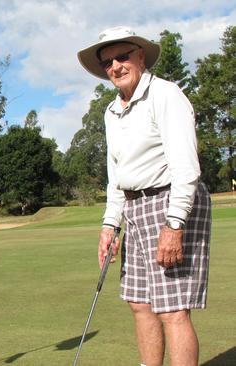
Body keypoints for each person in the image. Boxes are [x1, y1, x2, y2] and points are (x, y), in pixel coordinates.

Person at [77, 27, 211, 366]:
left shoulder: (166, 95)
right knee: (140, 302)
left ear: (140, 56)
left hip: (170, 202)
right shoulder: (111, 111)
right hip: (133, 209)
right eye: (108, 62)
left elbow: (186, 167)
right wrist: (110, 225)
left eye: (123, 56)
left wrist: (175, 224)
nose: (116, 66)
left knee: (172, 309)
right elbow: (116, 174)